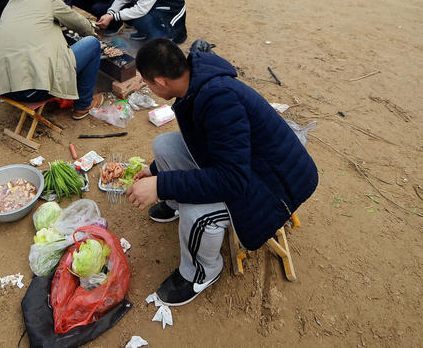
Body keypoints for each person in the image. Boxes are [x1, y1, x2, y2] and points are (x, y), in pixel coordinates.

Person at [126, 39, 318, 306]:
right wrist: (156, 171)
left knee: (197, 215)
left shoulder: (219, 100)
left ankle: (202, 272)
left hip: (274, 186)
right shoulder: (194, 82)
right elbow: (205, 143)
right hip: (249, 166)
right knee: (164, 145)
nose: (148, 88)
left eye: (147, 83)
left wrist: (160, 185)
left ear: (160, 82)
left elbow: (231, 181)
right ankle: (173, 204)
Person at [0, 0, 105, 120]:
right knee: (92, 44)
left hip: (5, 89)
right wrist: (93, 32)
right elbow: (82, 25)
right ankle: (83, 106)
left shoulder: (10, 5)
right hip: (36, 91)